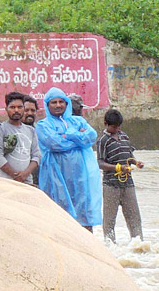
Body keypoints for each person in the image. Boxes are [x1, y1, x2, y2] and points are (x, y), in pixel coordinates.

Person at [35, 87, 101, 230]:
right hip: (56, 174)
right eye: (54, 102)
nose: (58, 105)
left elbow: (91, 137)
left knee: (83, 209)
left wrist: (69, 134)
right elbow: (55, 144)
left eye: (61, 102)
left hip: (80, 174)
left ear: (67, 104)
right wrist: (78, 138)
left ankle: (88, 248)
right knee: (59, 210)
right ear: (47, 105)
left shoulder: (78, 121)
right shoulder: (42, 125)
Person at [95, 108, 145, 243]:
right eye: (113, 127)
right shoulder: (102, 140)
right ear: (106, 124)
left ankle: (139, 245)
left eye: (118, 126)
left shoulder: (124, 136)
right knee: (110, 219)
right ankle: (110, 246)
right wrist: (118, 168)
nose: (116, 129)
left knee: (134, 217)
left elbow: (129, 156)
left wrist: (136, 162)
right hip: (111, 184)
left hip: (128, 183)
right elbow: (100, 163)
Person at [0, 90, 40, 183]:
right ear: (6, 109)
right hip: (5, 182)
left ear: (24, 108)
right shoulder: (0, 129)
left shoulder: (30, 131)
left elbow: (36, 156)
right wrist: (15, 175)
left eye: (19, 107)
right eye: (12, 107)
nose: (16, 110)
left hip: (26, 182)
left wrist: (25, 174)